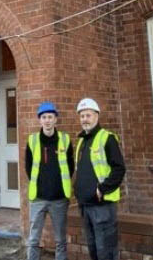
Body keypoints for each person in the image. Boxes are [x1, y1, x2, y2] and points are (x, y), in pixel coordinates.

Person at [73, 97, 125, 260]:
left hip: (102, 205)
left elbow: (119, 168)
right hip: (86, 205)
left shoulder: (107, 138)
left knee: (106, 250)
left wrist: (102, 189)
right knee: (93, 249)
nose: (84, 119)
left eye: (88, 115)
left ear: (97, 116)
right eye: (82, 116)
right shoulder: (82, 141)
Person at [25, 101, 74, 260]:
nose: (47, 120)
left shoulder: (65, 140)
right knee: (33, 240)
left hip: (59, 198)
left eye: (50, 117)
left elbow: (70, 166)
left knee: (60, 240)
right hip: (38, 198)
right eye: (44, 117)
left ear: (55, 119)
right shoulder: (32, 141)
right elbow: (28, 167)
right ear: (40, 120)